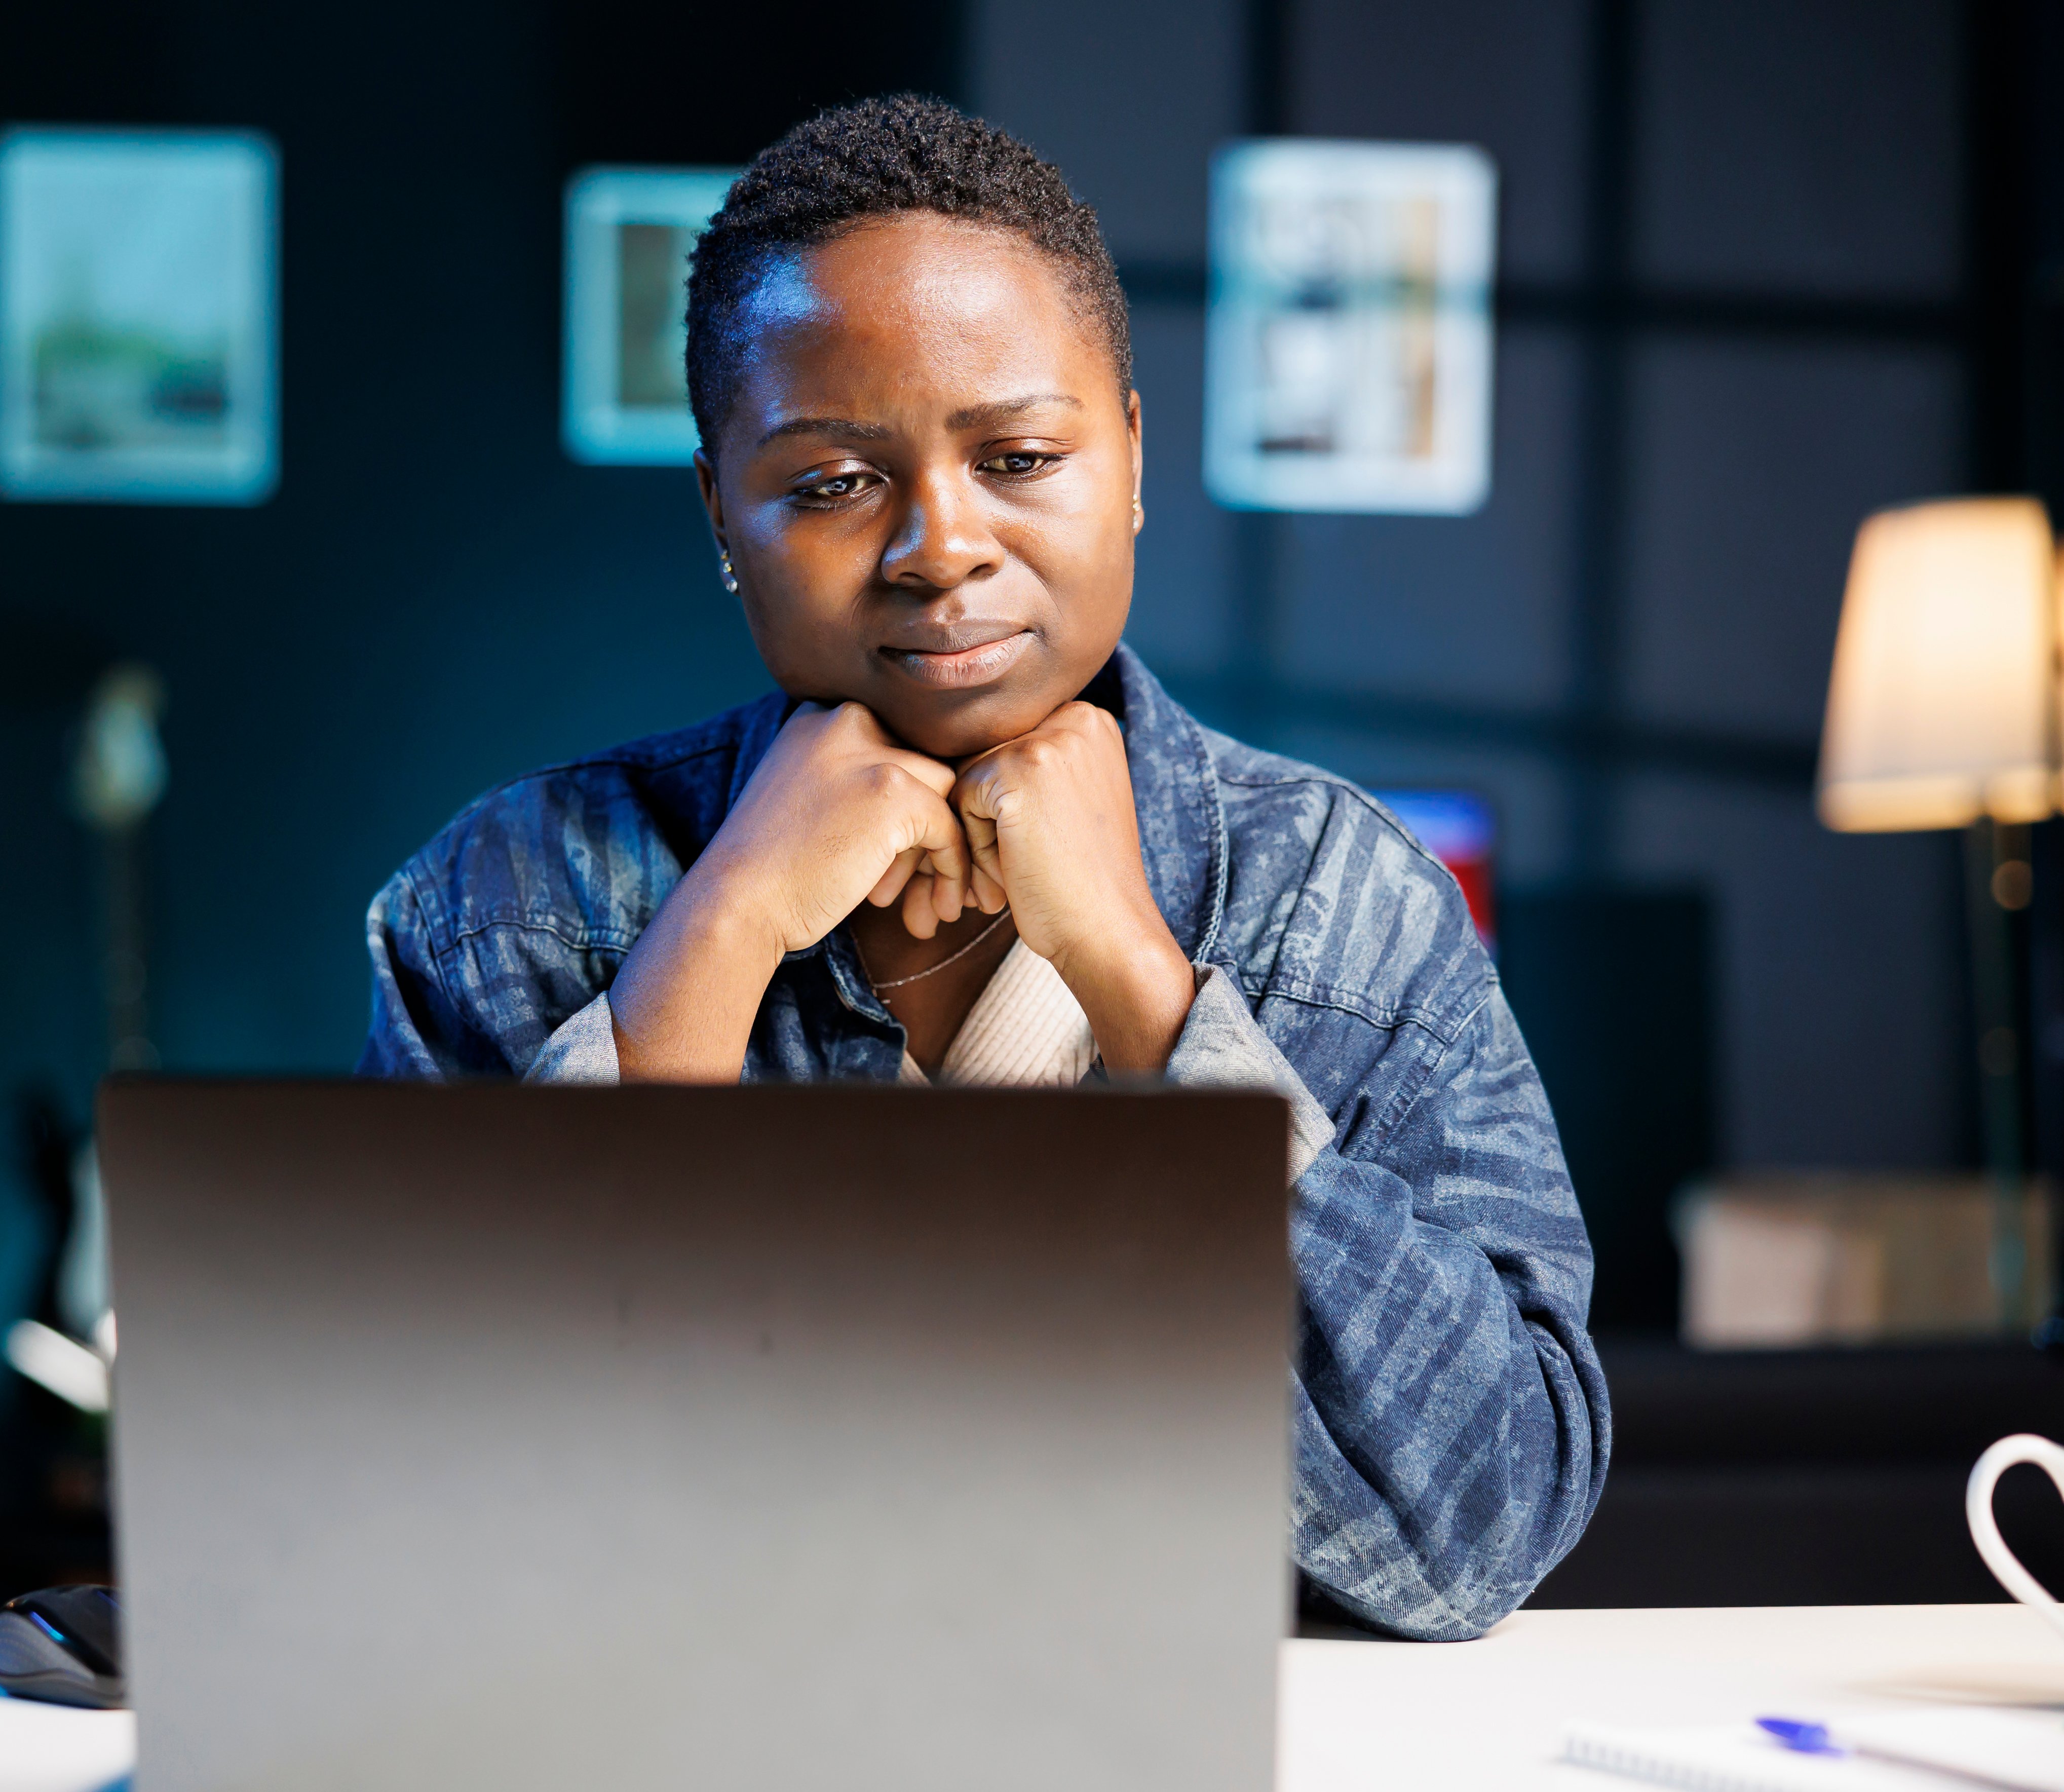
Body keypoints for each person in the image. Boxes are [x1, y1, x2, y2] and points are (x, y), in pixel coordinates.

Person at [360, 94, 1607, 1641]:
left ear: (1130, 461)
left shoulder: (1347, 903)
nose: (938, 545)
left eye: (1017, 454)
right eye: (829, 484)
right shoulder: (498, 904)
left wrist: (1150, 997)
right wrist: (722, 928)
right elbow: (427, 1514)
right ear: (719, 514)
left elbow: (1482, 1531)